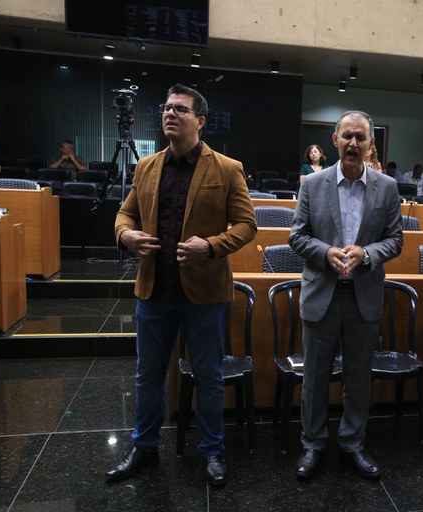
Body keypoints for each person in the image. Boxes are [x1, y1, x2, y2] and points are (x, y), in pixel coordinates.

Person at [107, 83, 257, 487]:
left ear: (200, 121)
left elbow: (247, 225)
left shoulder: (226, 168)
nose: (170, 113)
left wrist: (210, 246)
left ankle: (212, 450)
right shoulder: (146, 166)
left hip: (204, 294)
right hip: (154, 290)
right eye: (167, 108)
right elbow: (124, 214)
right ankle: (144, 447)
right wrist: (126, 235)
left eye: (181, 109)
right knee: (148, 375)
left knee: (208, 376)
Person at [289, 110, 403, 480]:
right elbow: (297, 236)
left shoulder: (387, 187)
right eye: (347, 136)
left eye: (361, 137)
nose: (353, 143)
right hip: (322, 293)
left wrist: (367, 254)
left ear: (370, 144)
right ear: (335, 140)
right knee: (315, 378)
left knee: (358, 378)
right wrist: (325, 253)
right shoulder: (313, 184)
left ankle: (353, 443)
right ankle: (313, 444)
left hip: (363, 296)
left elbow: (395, 240)